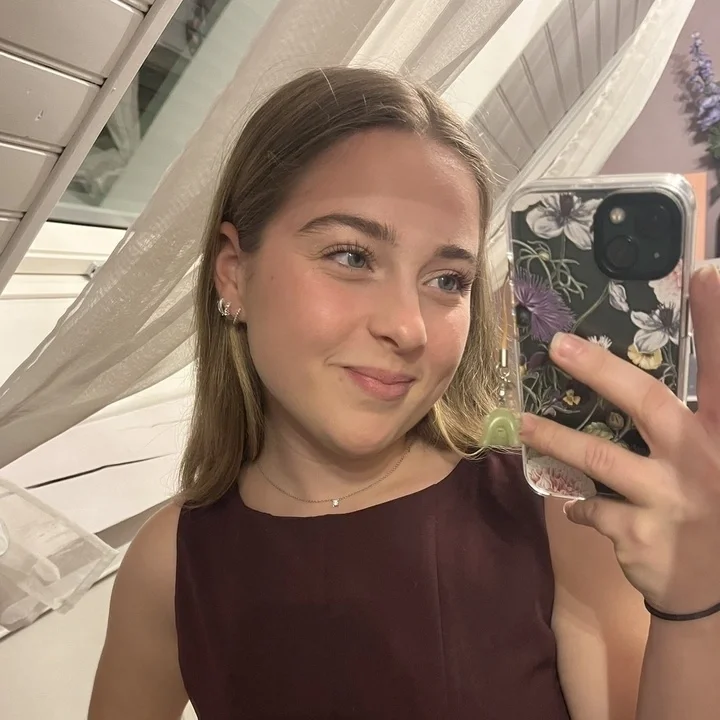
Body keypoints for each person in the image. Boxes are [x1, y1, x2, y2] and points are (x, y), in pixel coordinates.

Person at [88, 67, 720, 719]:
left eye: (447, 280)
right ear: (233, 273)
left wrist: (694, 602)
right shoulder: (170, 565)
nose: (409, 327)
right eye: (352, 256)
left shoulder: (559, 520)